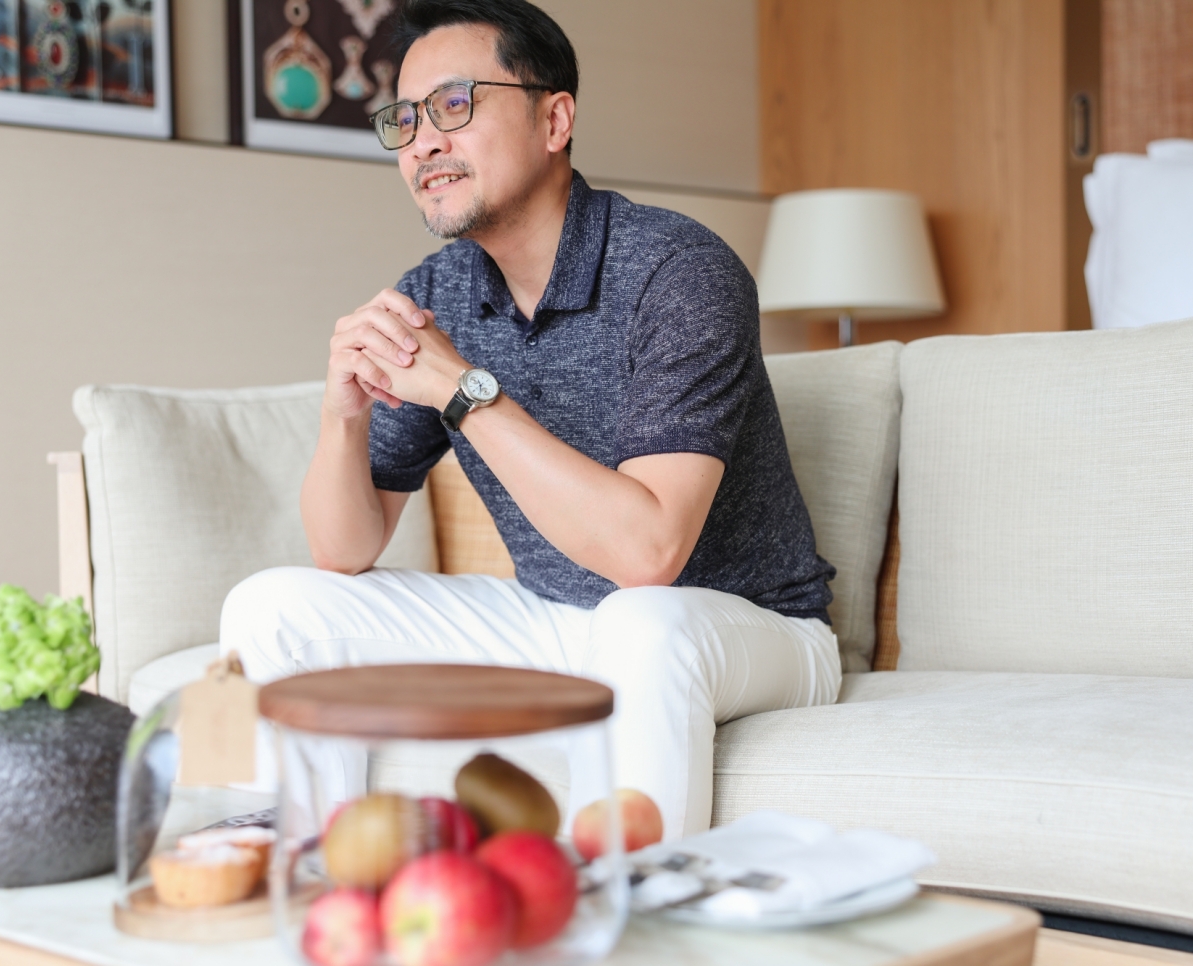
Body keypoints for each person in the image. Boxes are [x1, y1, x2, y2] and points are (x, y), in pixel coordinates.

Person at [221, 0, 839, 839]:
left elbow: (648, 556)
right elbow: (343, 550)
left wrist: (465, 390)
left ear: (555, 118)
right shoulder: (435, 294)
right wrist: (342, 416)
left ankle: (628, 907)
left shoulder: (681, 270)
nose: (424, 142)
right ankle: (281, 872)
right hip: (558, 620)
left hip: (748, 626)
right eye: (405, 120)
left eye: (454, 105)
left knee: (641, 623)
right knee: (270, 606)